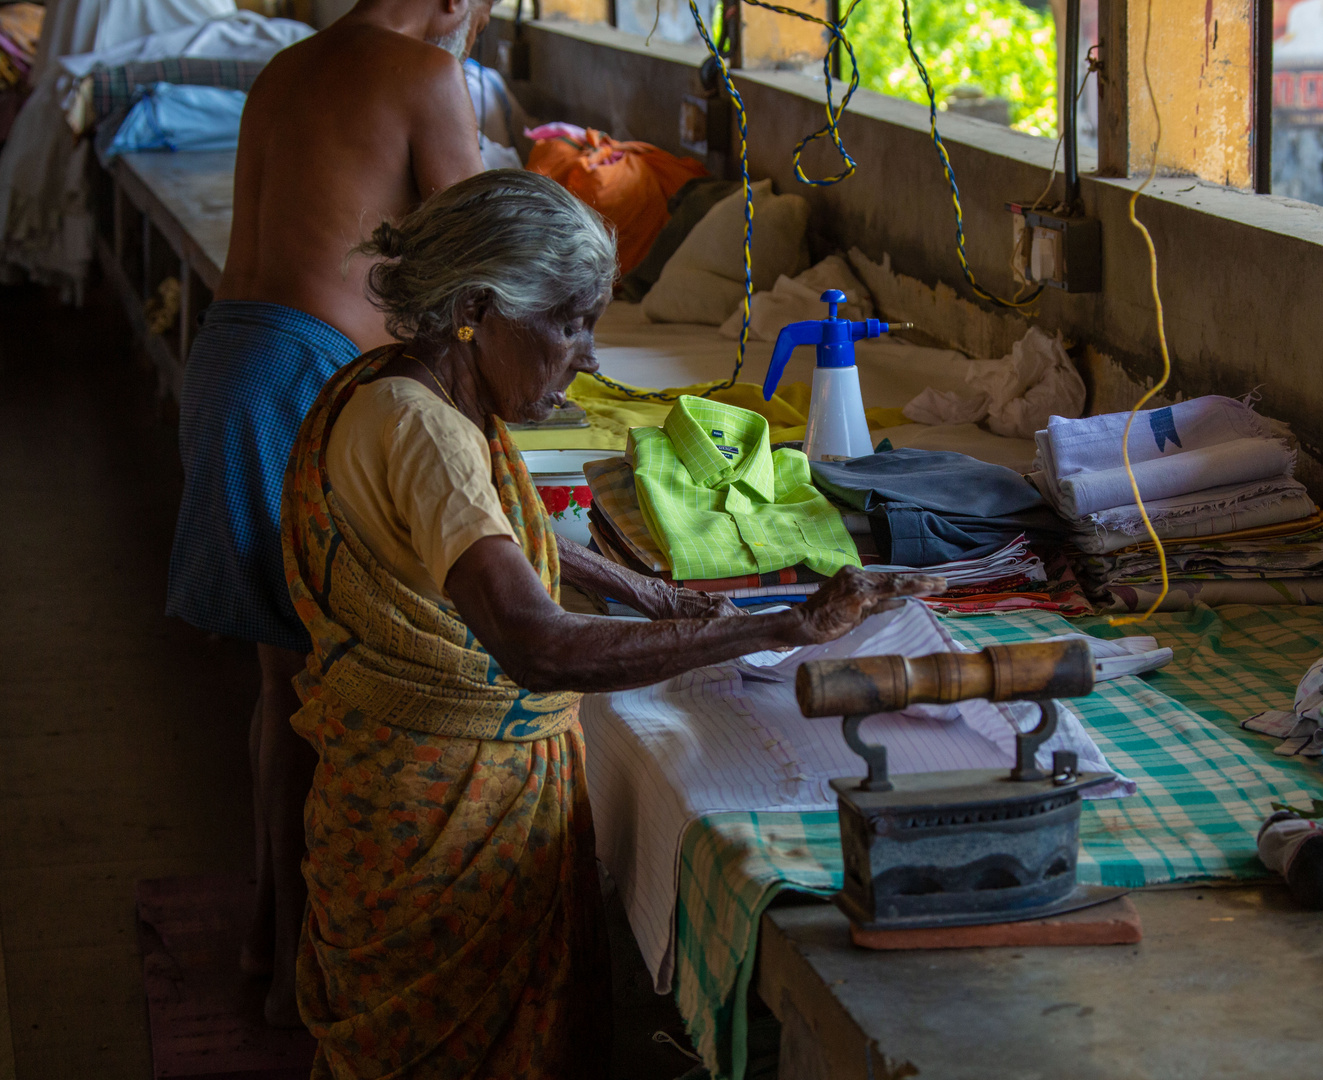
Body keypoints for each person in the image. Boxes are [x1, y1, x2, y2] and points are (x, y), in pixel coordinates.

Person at [280, 169, 940, 1077]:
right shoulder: (423, 432)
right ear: (476, 308)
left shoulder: (399, 384)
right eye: (567, 323)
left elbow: (492, 538)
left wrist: (654, 594)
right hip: (435, 815)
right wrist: (779, 627)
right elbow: (538, 643)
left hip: (393, 792)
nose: (587, 355)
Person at [164, 0, 492, 1025]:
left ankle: (277, 934)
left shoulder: (286, 69)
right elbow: (489, 261)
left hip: (227, 361)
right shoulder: (428, 76)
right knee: (335, 679)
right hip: (306, 375)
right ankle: (317, 960)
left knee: (287, 677)